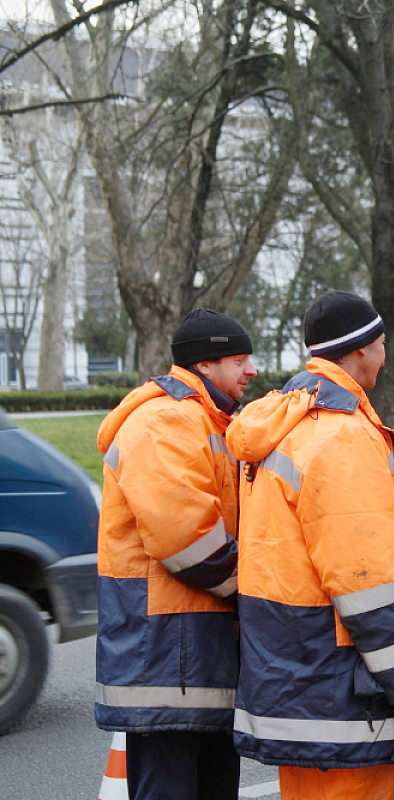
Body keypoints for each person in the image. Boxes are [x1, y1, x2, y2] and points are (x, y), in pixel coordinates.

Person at [226, 290, 394, 800]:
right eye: (383, 344)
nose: (386, 357)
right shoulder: (342, 436)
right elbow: (368, 581)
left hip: (292, 674)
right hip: (342, 686)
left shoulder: (284, 424)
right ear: (361, 350)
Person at [95, 308, 257, 800]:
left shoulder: (205, 419)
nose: (251, 370)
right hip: (169, 659)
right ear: (205, 365)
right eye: (239, 359)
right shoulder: (166, 420)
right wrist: (259, 590)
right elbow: (188, 542)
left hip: (188, 656)